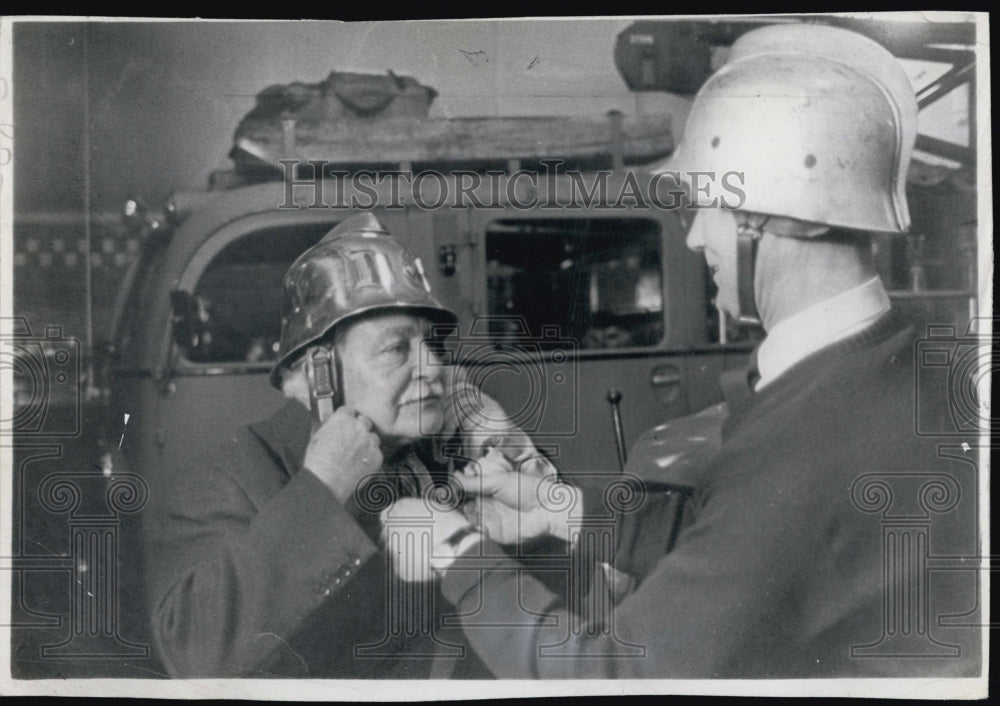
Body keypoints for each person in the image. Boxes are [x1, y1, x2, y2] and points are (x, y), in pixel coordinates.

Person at [388, 24, 982, 678]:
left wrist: (458, 555)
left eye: (712, 208)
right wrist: (563, 509)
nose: (697, 239)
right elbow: (747, 545)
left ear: (798, 214)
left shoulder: (810, 438)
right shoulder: (891, 366)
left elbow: (614, 671)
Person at [143, 212, 550, 677]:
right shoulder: (227, 479)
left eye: (433, 345)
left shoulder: (433, 455)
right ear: (320, 374)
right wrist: (322, 490)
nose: (434, 368)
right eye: (398, 349)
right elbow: (190, 650)